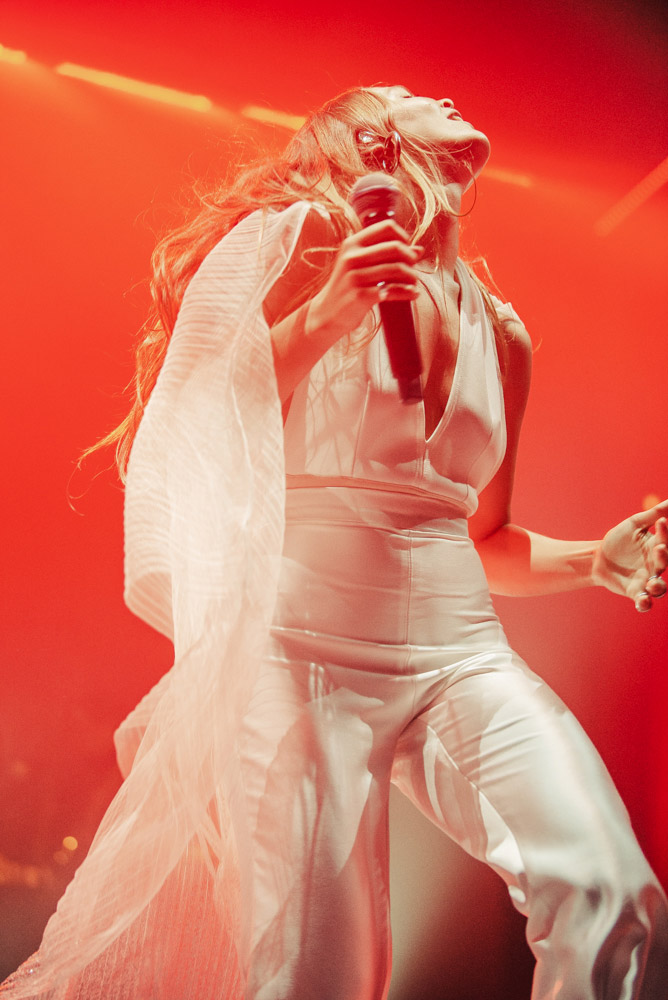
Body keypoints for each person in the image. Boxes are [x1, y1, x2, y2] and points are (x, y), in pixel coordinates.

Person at [2, 85, 667, 1000]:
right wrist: (321, 316)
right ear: (368, 138)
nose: (440, 92)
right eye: (405, 93)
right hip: (299, 654)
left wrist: (596, 560)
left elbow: (484, 535)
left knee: (609, 890)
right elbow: (193, 425)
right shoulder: (309, 241)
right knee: (326, 975)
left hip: (459, 656)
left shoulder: (502, 332)